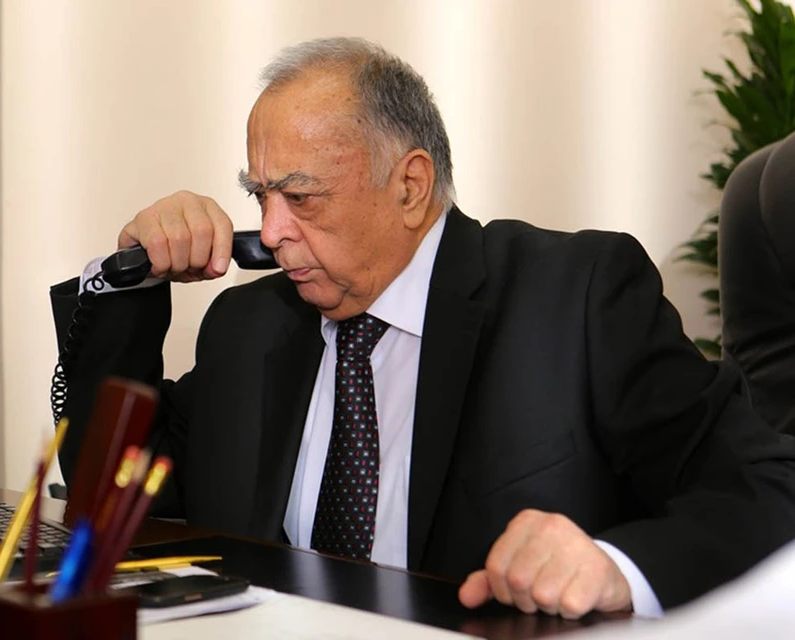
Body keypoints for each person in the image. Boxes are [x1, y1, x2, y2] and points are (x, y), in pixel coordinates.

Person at [50, 37, 795, 620]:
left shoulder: (575, 296)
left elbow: (765, 487)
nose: (270, 233)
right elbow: (110, 497)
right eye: (260, 196)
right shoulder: (249, 325)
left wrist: (616, 569)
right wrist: (130, 283)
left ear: (410, 185)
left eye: (300, 198)